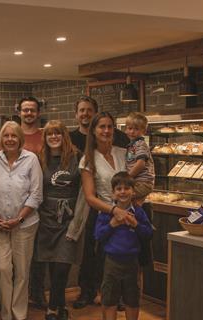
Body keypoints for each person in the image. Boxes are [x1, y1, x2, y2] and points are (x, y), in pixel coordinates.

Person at [70, 97, 129, 310]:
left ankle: (114, 295)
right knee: (93, 256)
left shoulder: (123, 153)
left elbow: (131, 183)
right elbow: (89, 196)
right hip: (100, 213)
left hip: (125, 213)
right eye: (102, 127)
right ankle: (87, 292)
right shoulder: (88, 159)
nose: (106, 130)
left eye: (109, 127)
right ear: (94, 131)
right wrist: (113, 210)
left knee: (119, 257)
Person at [0, 121, 43, 320]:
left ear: (20, 138)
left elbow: (36, 195)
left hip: (25, 225)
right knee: (3, 269)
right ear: (1, 139)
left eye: (14, 136)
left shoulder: (31, 159)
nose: (10, 139)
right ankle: (6, 314)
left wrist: (19, 219)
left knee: (22, 271)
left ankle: (19, 314)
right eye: (6, 136)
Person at [36, 120, 81, 320]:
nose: (53, 137)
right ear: (45, 138)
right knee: (53, 267)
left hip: (68, 219)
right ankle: (61, 306)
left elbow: (82, 190)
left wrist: (77, 219)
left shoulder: (77, 157)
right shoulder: (40, 158)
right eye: (49, 134)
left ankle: (52, 308)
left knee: (63, 265)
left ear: (64, 135)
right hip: (46, 219)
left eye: (57, 134)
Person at [95, 172, 153, 320]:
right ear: (113, 193)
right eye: (118, 189)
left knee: (132, 299)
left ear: (133, 192)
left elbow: (148, 234)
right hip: (111, 263)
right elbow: (98, 236)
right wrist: (112, 225)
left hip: (132, 263)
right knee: (109, 299)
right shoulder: (106, 213)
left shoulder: (139, 213)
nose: (122, 192)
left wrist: (136, 225)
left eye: (126, 188)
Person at [16, 96, 47, 309]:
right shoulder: (12, 134)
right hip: (17, 203)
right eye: (25, 110)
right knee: (19, 255)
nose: (28, 114)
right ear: (19, 112)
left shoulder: (45, 135)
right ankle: (19, 296)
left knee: (39, 252)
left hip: (43, 201)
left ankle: (37, 292)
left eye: (32, 110)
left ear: (38, 113)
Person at [124, 112, 155, 205]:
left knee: (121, 195)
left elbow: (140, 164)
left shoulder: (140, 144)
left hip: (142, 183)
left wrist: (127, 177)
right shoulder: (132, 145)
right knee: (134, 205)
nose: (132, 132)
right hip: (139, 182)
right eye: (130, 128)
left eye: (136, 129)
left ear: (144, 131)